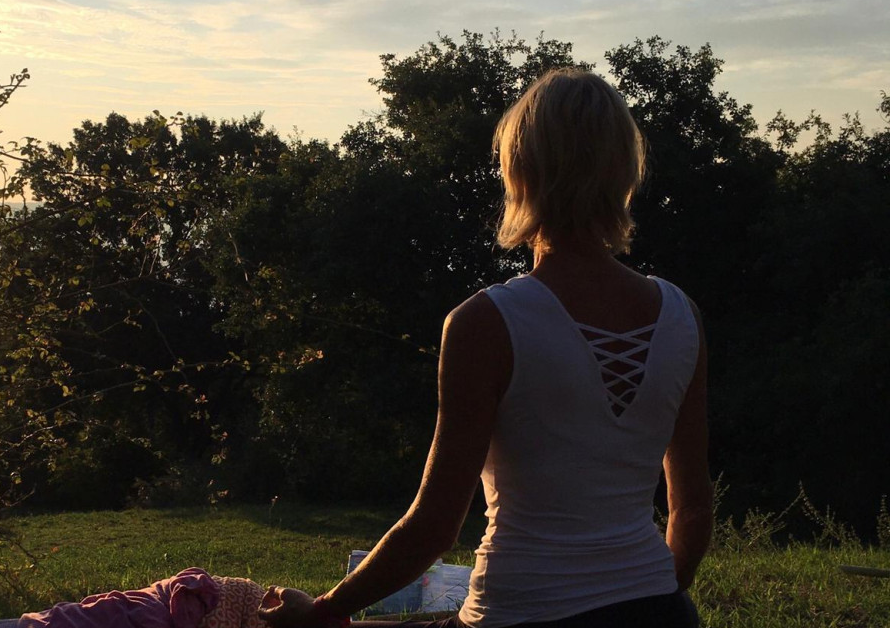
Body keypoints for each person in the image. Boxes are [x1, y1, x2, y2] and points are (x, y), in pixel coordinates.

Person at [257, 69, 712, 628]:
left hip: (519, 612)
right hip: (661, 610)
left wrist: (326, 612)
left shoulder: (487, 322)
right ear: (624, 171)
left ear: (519, 171)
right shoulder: (680, 314)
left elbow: (434, 526)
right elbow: (691, 510)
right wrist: (647, 601)